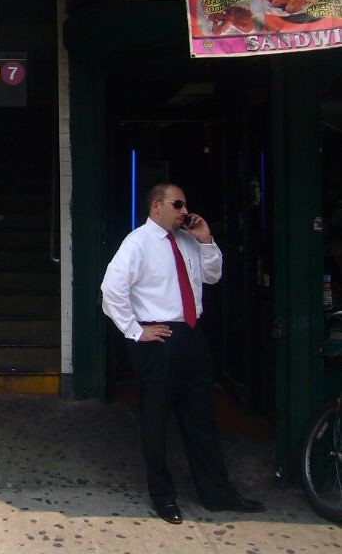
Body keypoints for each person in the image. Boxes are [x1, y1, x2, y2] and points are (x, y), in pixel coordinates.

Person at [100, 183, 264, 524]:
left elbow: (213, 276)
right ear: (157, 206)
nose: (184, 210)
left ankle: (217, 493)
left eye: (185, 204)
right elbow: (111, 289)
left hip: (192, 336)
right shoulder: (138, 242)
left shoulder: (188, 240)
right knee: (156, 421)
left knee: (202, 419)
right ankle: (163, 497)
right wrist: (135, 330)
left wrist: (206, 240)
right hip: (158, 339)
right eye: (178, 204)